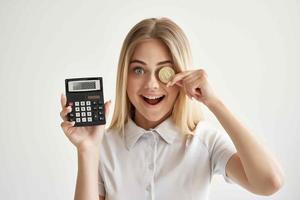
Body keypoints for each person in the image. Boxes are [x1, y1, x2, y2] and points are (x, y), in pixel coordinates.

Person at [59, 17, 284, 200]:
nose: (151, 84)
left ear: (182, 77)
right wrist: (87, 150)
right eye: (138, 70)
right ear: (124, 77)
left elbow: (269, 182)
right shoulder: (104, 145)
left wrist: (214, 103)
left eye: (164, 71)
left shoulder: (204, 141)